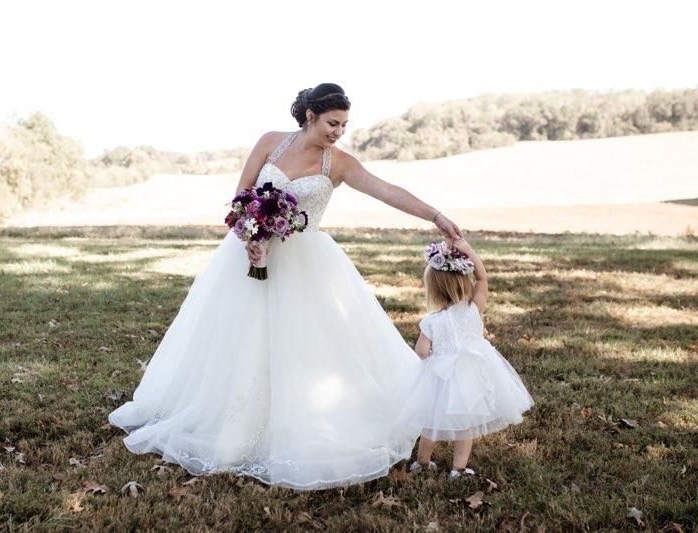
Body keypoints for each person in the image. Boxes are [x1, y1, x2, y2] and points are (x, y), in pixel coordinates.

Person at [108, 82, 464, 490]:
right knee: (243, 339)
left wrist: (435, 216)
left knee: (308, 344)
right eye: (333, 123)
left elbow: (387, 191)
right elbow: (241, 196)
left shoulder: (340, 163)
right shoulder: (271, 143)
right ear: (310, 115)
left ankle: (311, 418)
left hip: (307, 262)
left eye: (345, 125)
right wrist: (250, 233)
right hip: (248, 254)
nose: (338, 132)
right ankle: (231, 423)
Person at [395, 237, 533, 478]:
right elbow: (482, 278)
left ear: (434, 291)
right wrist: (469, 251)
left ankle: (423, 462)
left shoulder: (431, 322)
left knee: (431, 421)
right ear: (463, 281)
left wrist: (432, 361)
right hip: (471, 376)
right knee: (465, 425)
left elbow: (421, 351)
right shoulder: (474, 308)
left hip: (442, 376)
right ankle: (458, 469)